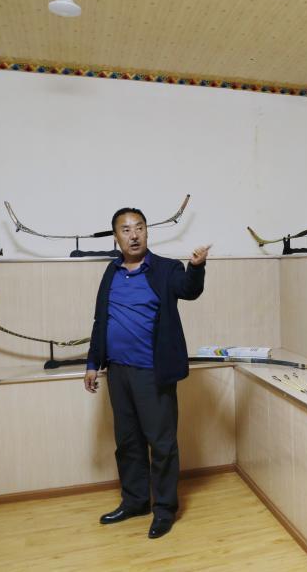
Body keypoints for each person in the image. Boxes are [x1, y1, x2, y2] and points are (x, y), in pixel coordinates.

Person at [84, 207, 210, 539]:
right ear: (116, 237)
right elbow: (101, 320)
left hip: (153, 373)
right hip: (118, 372)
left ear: (147, 232)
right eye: (126, 230)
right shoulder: (111, 271)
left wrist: (197, 267)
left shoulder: (166, 269)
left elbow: (189, 290)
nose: (134, 235)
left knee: (162, 443)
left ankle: (164, 509)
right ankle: (135, 501)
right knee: (127, 442)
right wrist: (92, 364)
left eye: (139, 228)